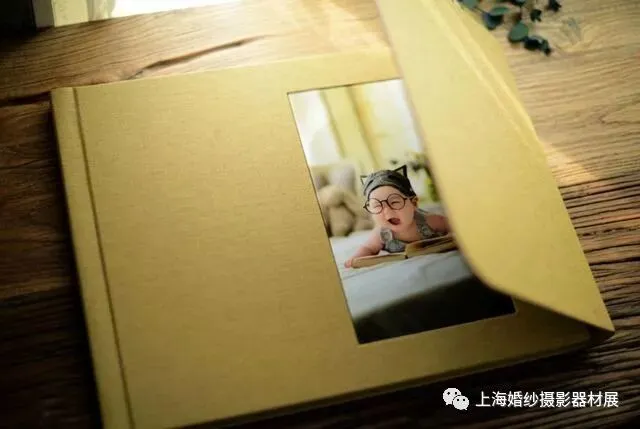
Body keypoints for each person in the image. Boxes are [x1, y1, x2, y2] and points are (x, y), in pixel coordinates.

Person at [344, 166, 451, 268]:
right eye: (377, 205)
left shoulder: (429, 221)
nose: (387, 211)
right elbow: (368, 248)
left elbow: (453, 226)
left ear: (414, 203)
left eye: (394, 202)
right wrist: (354, 259)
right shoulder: (381, 234)